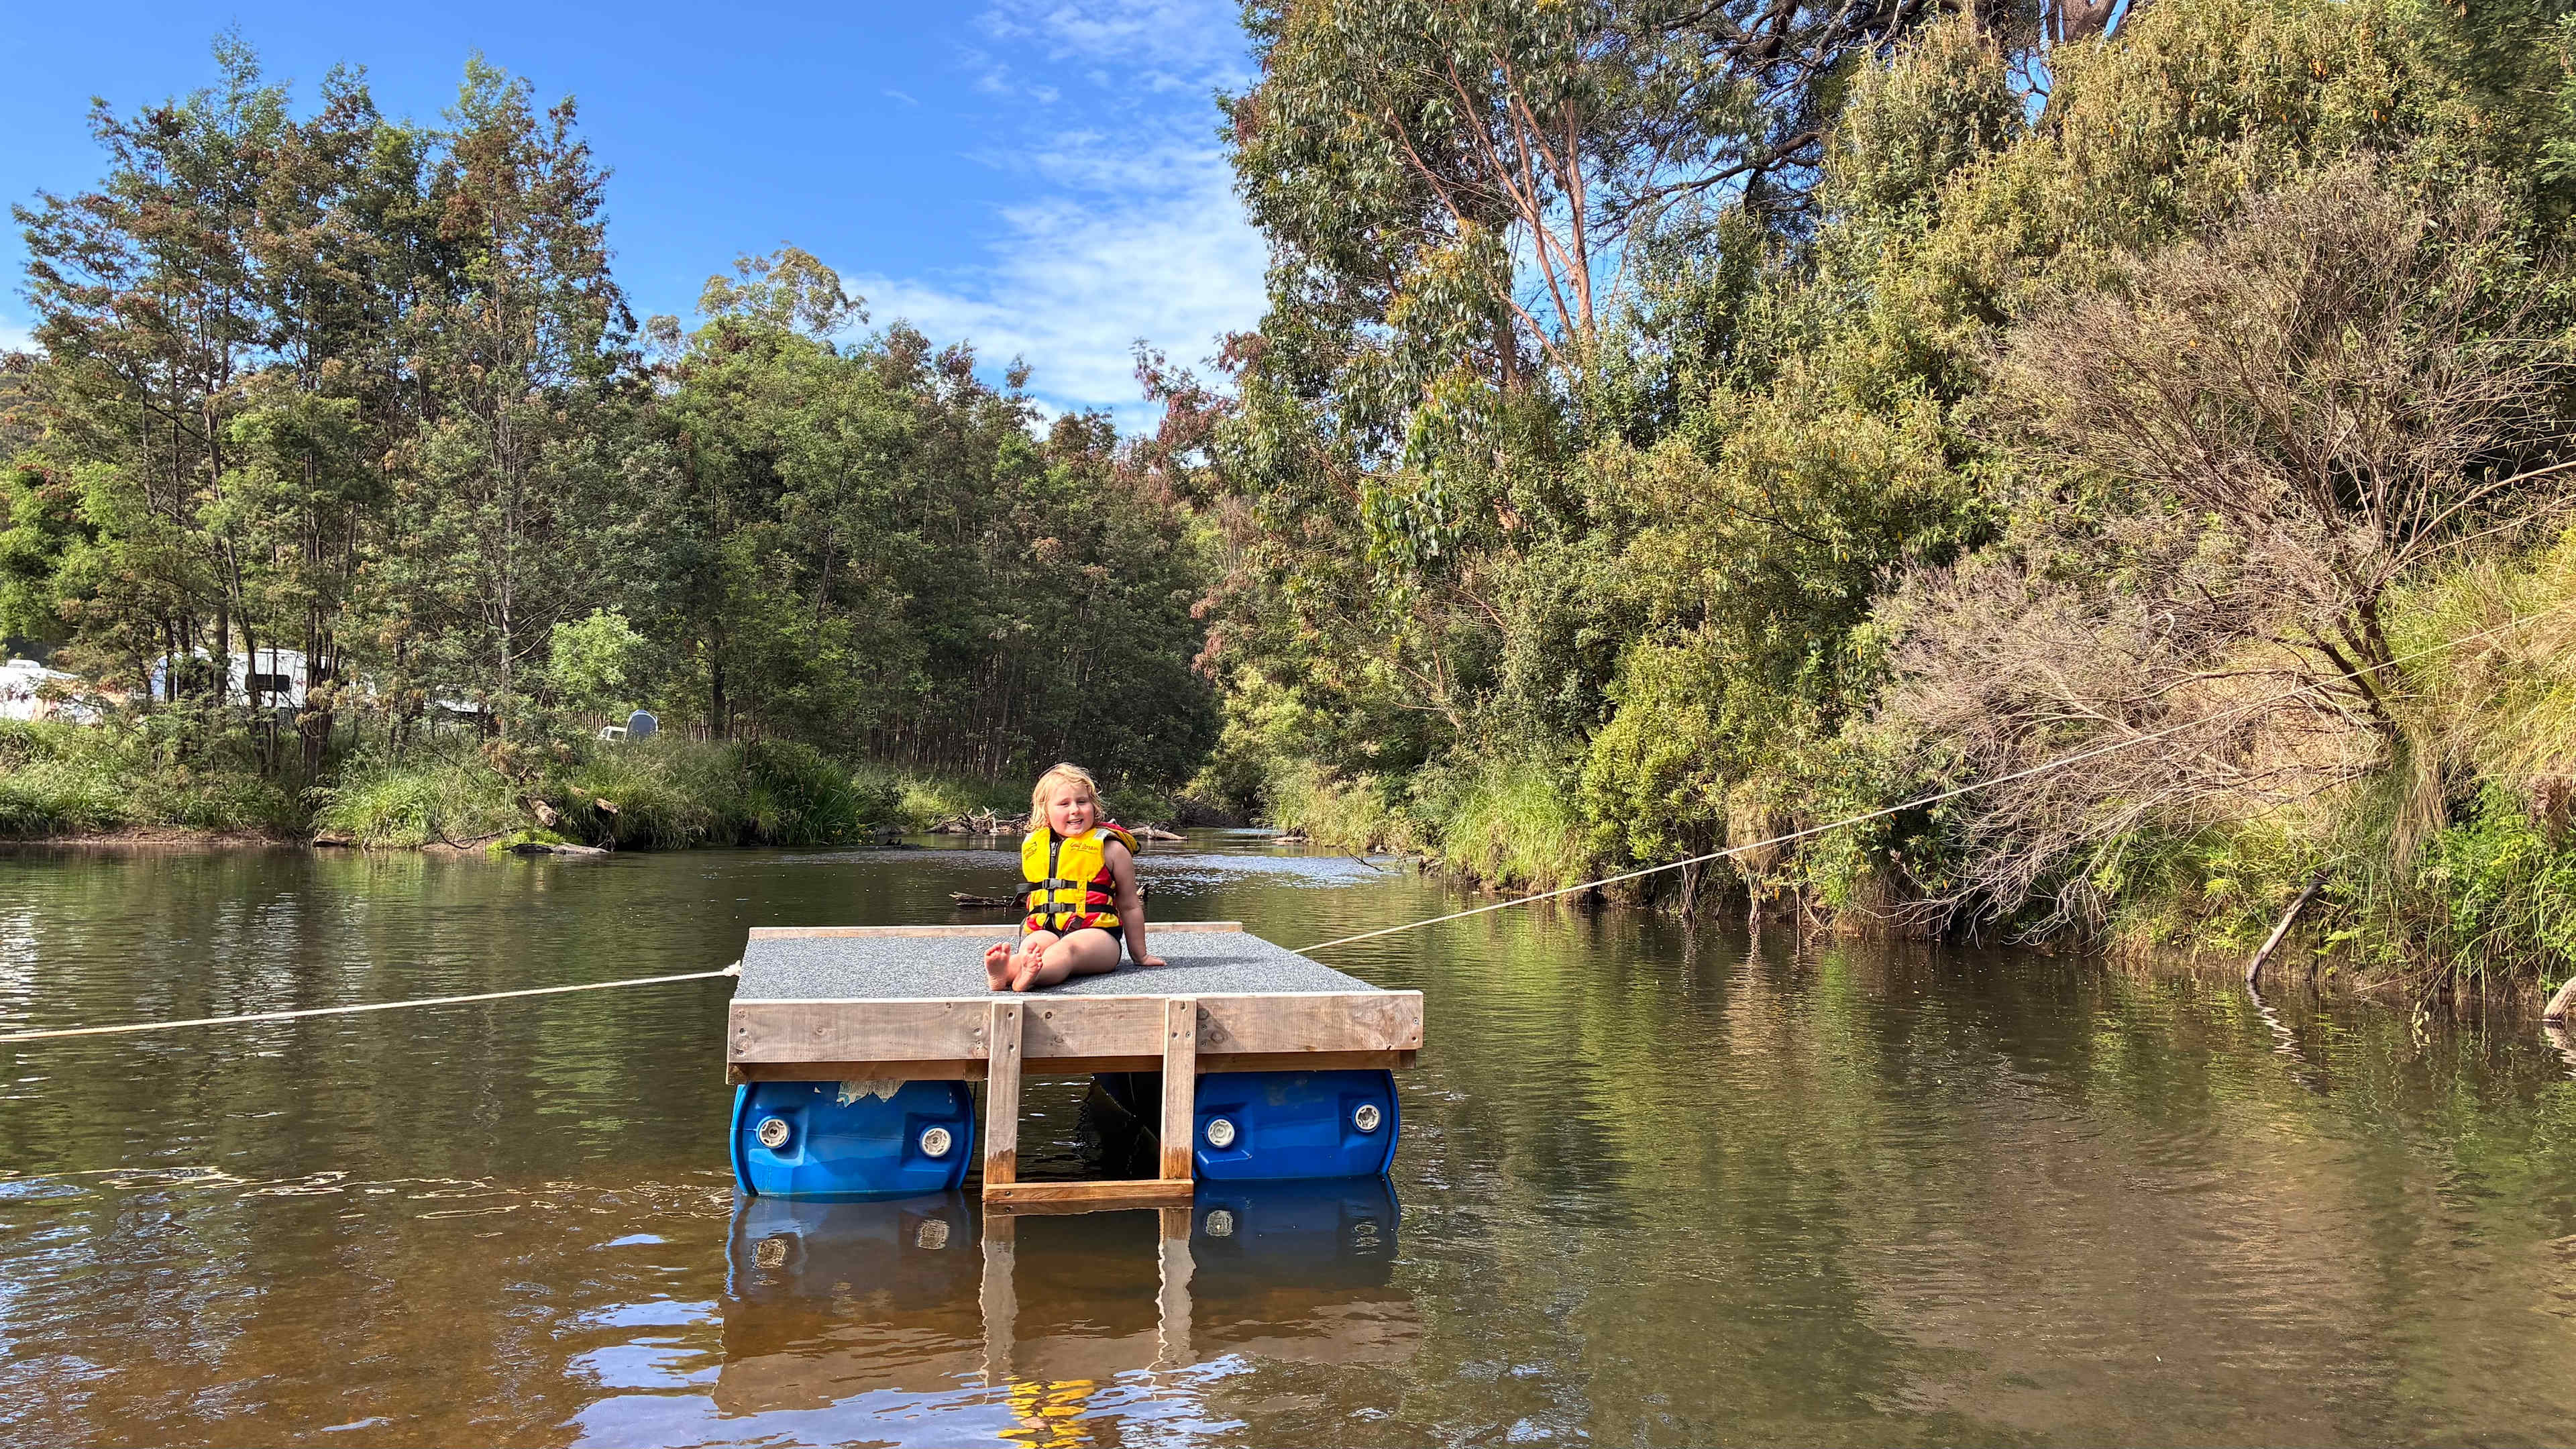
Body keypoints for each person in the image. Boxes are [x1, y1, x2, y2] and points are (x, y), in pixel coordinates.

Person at [985, 763, 1166, 992]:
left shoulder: (1112, 850)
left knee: (1066, 949)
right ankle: (1005, 972)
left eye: (1082, 802)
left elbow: (1130, 906)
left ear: (1094, 805)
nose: (1075, 810)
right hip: (1047, 929)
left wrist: (1140, 955)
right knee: (1032, 946)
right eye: (1064, 804)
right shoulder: (1033, 845)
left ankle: (1032, 976)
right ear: (1045, 811)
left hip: (1098, 938)